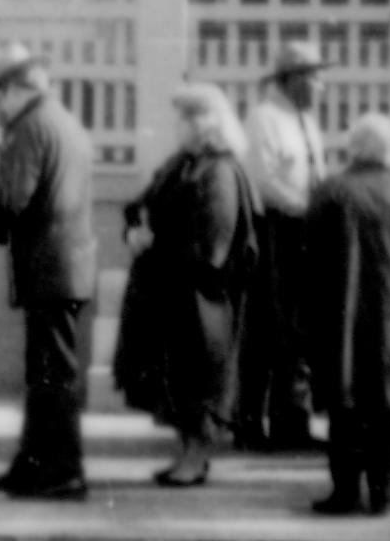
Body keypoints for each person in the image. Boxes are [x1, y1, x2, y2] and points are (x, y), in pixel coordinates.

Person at [0, 49, 98, 501]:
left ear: (19, 89)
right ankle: (33, 466)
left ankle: (61, 473)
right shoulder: (63, 122)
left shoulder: (28, 128)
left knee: (51, 376)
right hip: (67, 266)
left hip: (48, 268)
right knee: (47, 373)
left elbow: (11, 199)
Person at [117, 82, 260, 487]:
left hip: (202, 297)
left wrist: (154, 243)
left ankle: (196, 458)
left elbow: (212, 245)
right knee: (176, 381)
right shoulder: (180, 163)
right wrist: (134, 232)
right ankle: (186, 453)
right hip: (171, 291)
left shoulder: (220, 172)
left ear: (204, 123)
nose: (176, 125)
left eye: (183, 118)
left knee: (198, 380)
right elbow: (138, 205)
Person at [306, 112, 390, 518]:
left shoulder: (329, 191)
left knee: (344, 407)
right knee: (388, 410)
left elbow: (309, 260)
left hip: (339, 315)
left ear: (352, 147)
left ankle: (345, 493)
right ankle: (384, 496)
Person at [243, 42, 330, 451]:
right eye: (313, 76)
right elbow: (264, 182)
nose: (321, 85)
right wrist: (305, 209)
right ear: (291, 79)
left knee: (299, 329)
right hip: (276, 231)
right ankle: (249, 423)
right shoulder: (264, 118)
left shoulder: (307, 120)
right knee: (268, 327)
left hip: (307, 232)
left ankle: (291, 421)